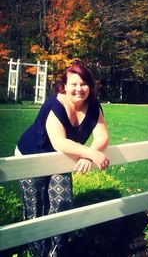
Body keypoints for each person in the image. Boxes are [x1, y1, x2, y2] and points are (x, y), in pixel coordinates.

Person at [15, 62, 110, 257]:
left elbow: (102, 136)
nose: (79, 89)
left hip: (61, 159)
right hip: (32, 156)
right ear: (64, 86)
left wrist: (89, 153)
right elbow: (59, 142)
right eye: (73, 84)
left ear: (90, 86)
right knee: (36, 208)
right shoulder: (54, 105)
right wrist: (91, 153)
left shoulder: (93, 108)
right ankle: (38, 253)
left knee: (62, 203)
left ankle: (56, 253)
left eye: (83, 84)